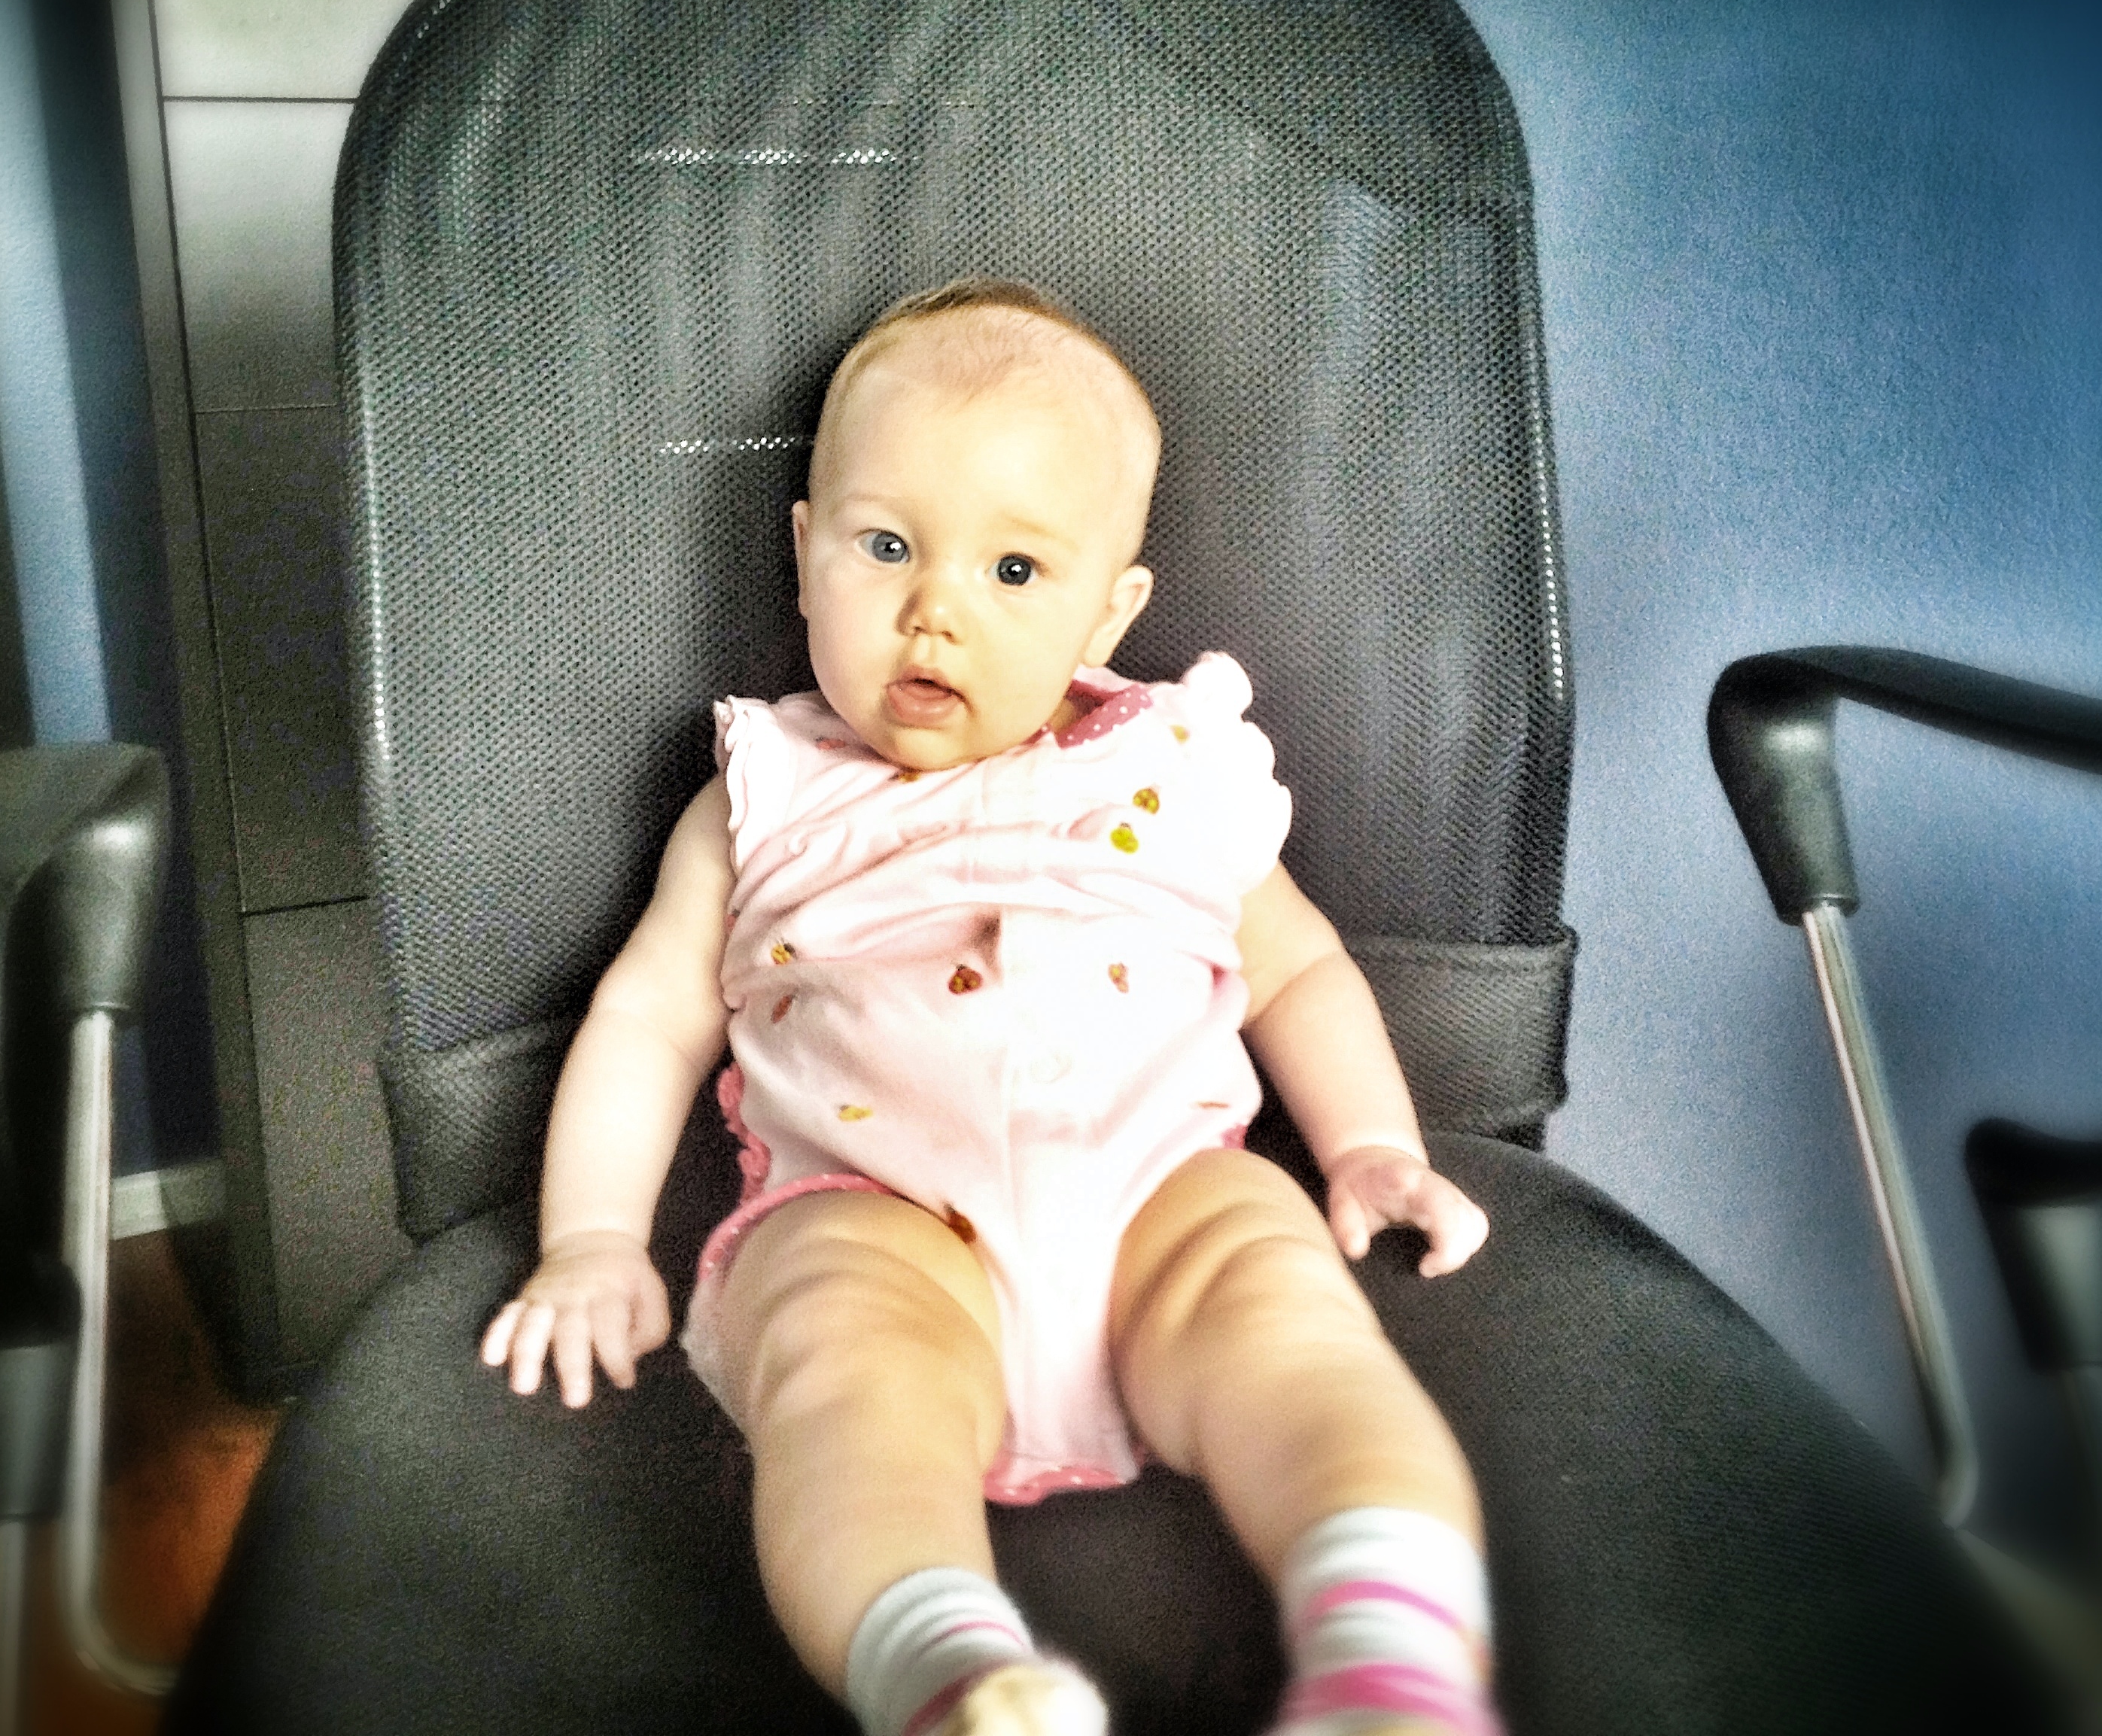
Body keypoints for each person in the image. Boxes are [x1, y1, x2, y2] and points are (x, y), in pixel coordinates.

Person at [479, 278, 1501, 1736]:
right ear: (805, 555)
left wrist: (1371, 1147)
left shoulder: (1176, 767)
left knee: (1290, 1327)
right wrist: (590, 1240)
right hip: (878, 1215)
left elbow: (1298, 968)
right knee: (842, 1383)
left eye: (1015, 570)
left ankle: (1392, 1665)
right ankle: (952, 1681)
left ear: (1110, 607)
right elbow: (646, 1021)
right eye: (887, 545)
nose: (935, 611)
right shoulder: (760, 797)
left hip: (1161, 1197)